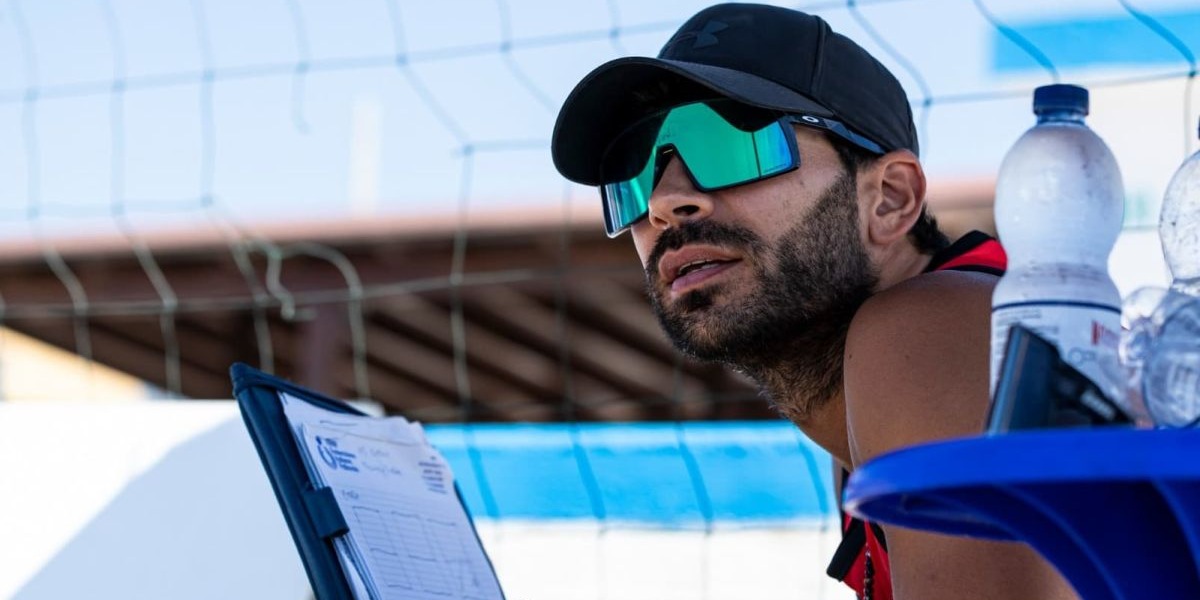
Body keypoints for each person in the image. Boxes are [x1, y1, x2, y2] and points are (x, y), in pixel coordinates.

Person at [551, 4, 1077, 600]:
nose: (667, 202)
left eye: (730, 144)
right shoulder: (859, 414)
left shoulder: (928, 327)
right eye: (636, 173)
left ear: (889, 199)